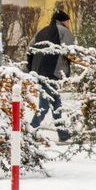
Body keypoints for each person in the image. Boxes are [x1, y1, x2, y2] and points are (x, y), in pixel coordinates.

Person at [26, 10, 74, 142]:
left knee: (56, 103)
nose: (68, 24)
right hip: (53, 72)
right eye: (67, 21)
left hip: (39, 72)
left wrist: (31, 68)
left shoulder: (41, 31)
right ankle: (30, 130)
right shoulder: (64, 32)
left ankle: (63, 134)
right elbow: (70, 52)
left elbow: (29, 49)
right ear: (63, 21)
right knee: (45, 104)